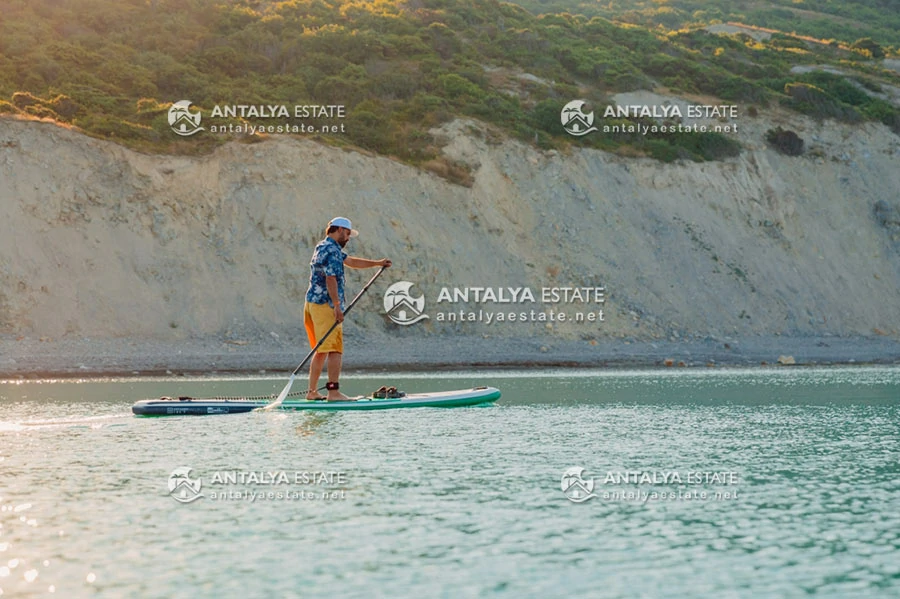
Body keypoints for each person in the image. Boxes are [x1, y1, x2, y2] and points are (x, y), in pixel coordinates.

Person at [304, 217, 391, 400]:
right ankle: (333, 392)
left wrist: (377, 263)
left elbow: (351, 261)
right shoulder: (332, 251)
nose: (349, 237)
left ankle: (312, 392)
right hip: (326, 305)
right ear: (340, 230)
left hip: (312, 303)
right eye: (348, 233)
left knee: (321, 349)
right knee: (335, 349)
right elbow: (330, 278)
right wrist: (336, 305)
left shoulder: (323, 246)